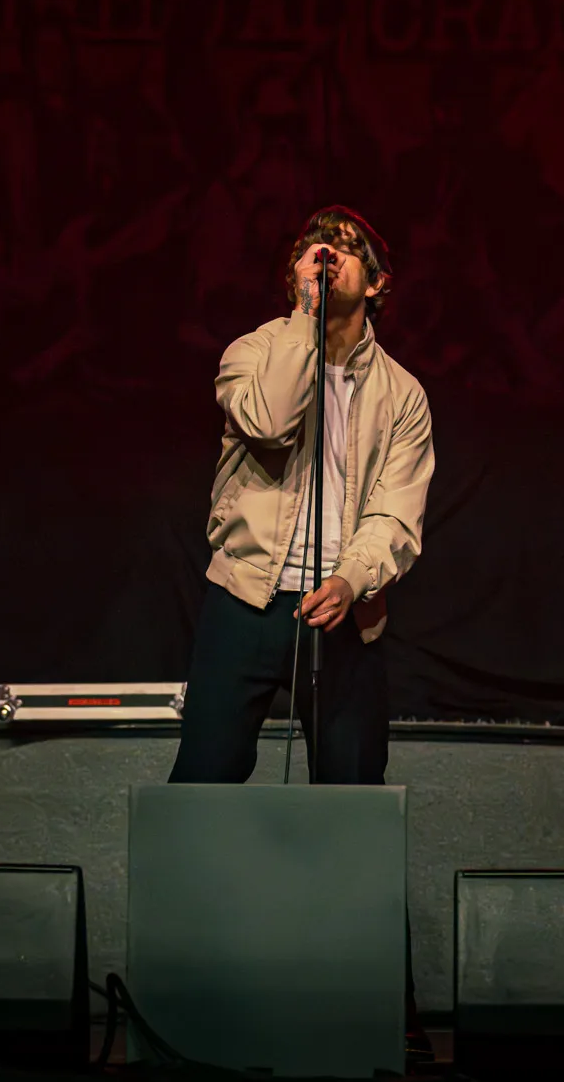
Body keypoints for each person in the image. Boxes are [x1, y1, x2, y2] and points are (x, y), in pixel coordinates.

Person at [169, 206, 434, 786]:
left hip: (343, 611)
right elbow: (269, 423)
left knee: (352, 790)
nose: (327, 254)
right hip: (245, 598)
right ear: (296, 276)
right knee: (204, 782)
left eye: (346, 248)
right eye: (314, 246)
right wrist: (305, 316)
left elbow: (395, 515)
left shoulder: (404, 395)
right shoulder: (251, 352)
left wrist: (350, 580)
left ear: (377, 282)